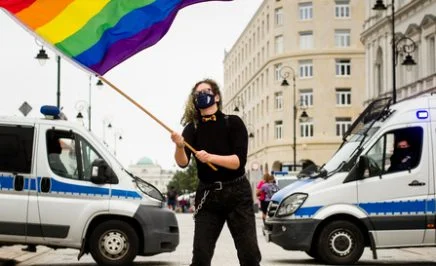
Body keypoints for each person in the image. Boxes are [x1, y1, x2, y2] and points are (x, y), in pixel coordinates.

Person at [171, 79, 261, 266]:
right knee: (201, 257)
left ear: (217, 96)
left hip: (237, 193)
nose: (202, 95)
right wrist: (180, 147)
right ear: (194, 100)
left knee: (249, 255)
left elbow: (238, 162)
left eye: (206, 91)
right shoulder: (192, 128)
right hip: (208, 194)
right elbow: (182, 163)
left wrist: (211, 158)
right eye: (198, 94)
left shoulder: (233, 123)